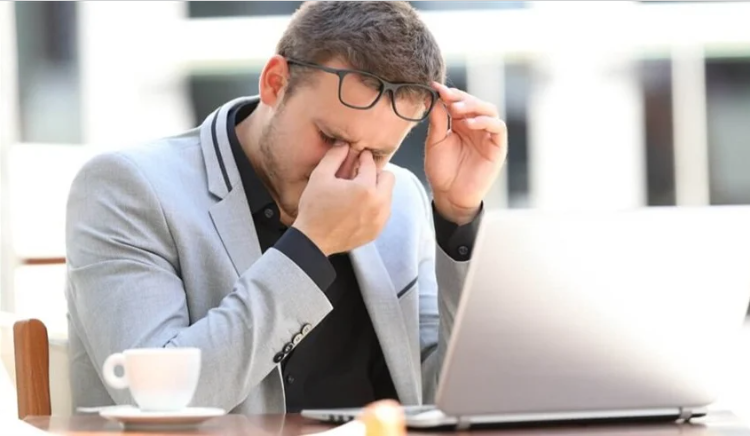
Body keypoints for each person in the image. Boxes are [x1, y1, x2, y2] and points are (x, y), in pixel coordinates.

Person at [65, 1, 507, 415]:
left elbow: (442, 397)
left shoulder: (401, 199)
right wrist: (311, 245)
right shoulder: (127, 188)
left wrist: (458, 216)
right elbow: (157, 403)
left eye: (376, 154)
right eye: (330, 138)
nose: (346, 171)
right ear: (275, 83)